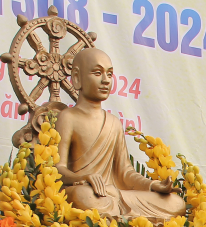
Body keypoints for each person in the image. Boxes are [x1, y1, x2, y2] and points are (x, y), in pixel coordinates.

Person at [55, 48, 185, 218]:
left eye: (109, 74)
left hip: (115, 194)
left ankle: (118, 213)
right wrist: (83, 178)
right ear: (77, 78)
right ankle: (120, 213)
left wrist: (152, 185)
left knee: (176, 203)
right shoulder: (68, 117)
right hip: (88, 192)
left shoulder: (114, 122)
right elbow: (57, 169)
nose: (105, 80)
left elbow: (125, 173)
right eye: (97, 73)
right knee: (83, 197)